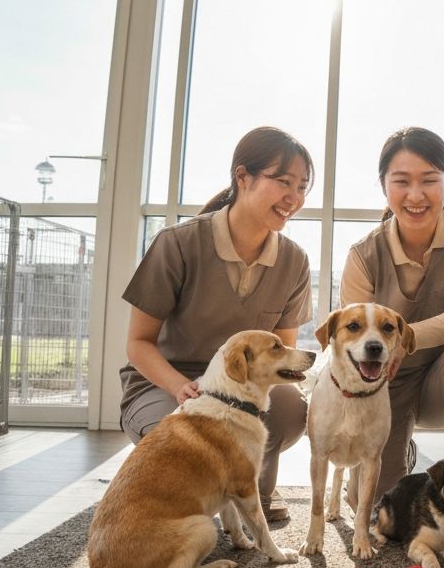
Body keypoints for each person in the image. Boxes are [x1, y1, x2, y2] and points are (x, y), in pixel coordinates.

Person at [119, 126, 314, 522]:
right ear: (243, 177)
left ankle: (255, 490)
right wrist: (180, 388)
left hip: (243, 389)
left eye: (303, 186)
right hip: (169, 386)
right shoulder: (178, 244)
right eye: (283, 182)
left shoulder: (294, 261)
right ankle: (191, 502)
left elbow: (283, 359)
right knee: (183, 444)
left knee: (292, 406)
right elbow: (138, 343)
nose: (294, 197)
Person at [340, 127, 444, 509]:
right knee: (380, 509)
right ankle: (403, 451)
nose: (415, 195)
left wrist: (400, 339)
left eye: (429, 180)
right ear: (384, 185)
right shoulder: (363, 255)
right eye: (401, 182)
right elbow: (351, 346)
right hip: (385, 387)